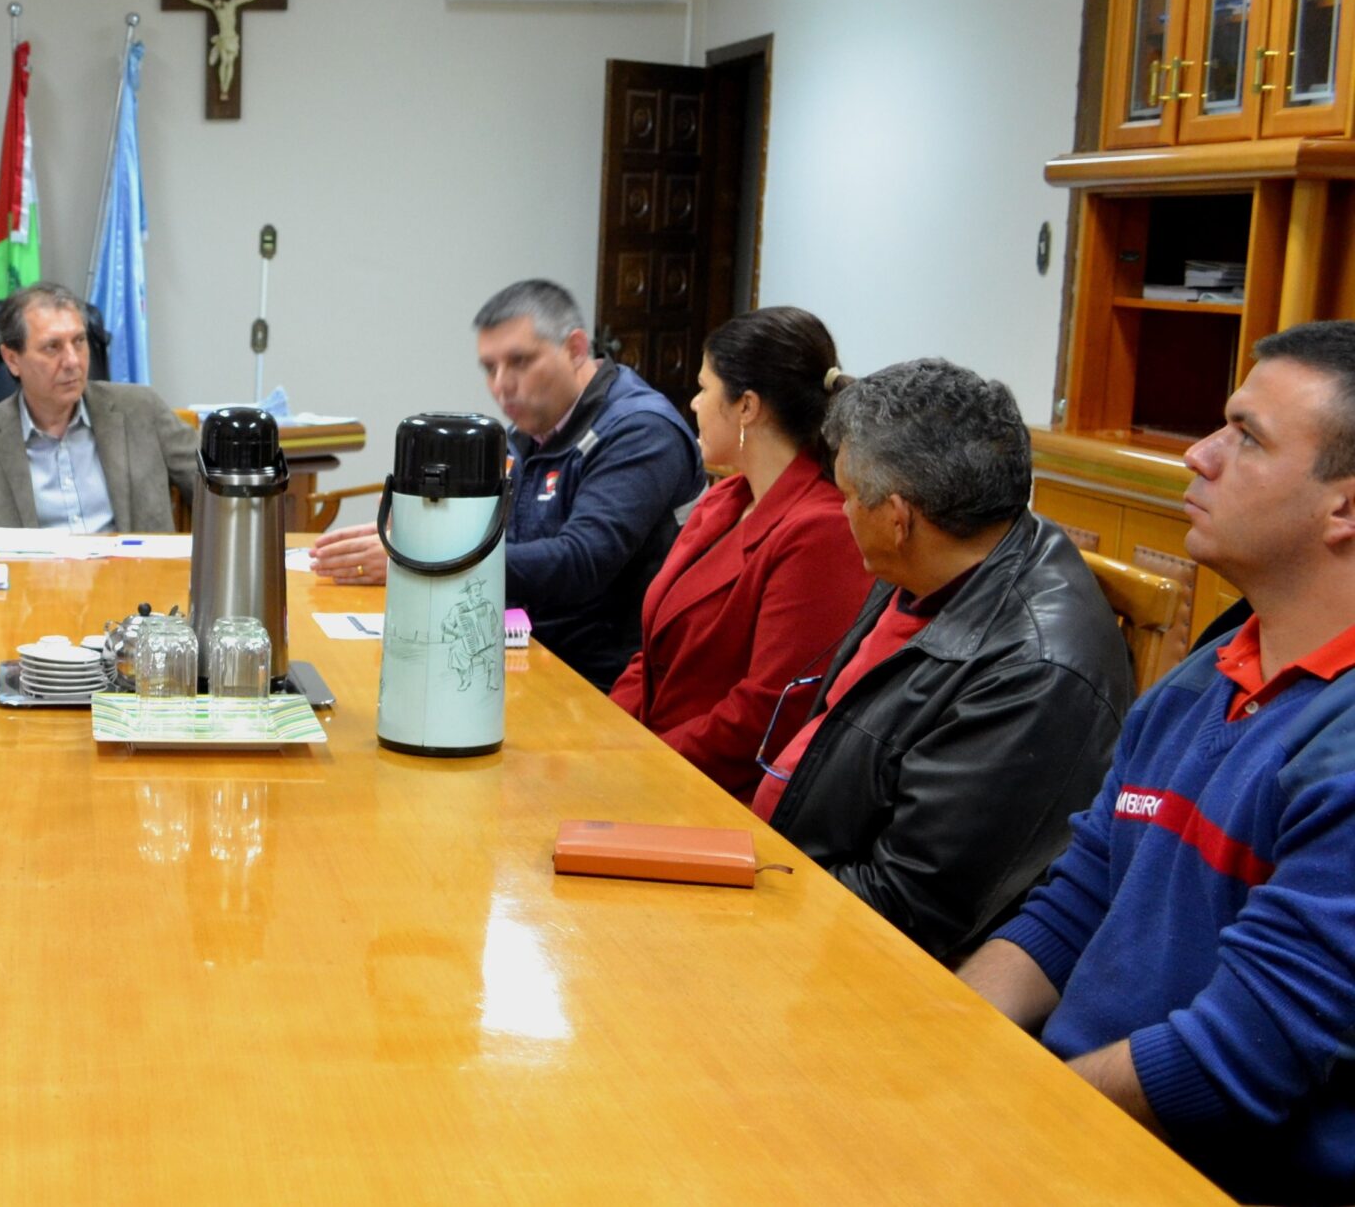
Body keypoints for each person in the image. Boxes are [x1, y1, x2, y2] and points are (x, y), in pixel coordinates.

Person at [958, 323, 1355, 1203]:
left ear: (1346, 508)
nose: (1199, 457)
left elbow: (1230, 1062)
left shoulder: (1343, 753)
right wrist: (947, 1039)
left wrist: (1004, 1113)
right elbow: (1078, 903)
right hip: (1074, 1122)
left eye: (1247, 437)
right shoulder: (1201, 677)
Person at [758, 358, 1128, 963]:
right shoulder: (933, 560)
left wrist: (752, 896)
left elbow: (905, 905)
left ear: (898, 518)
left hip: (854, 952)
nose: (840, 509)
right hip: (794, 875)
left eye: (847, 495)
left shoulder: (1033, 673)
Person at [312, 279, 702, 689]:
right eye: (489, 368)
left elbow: (582, 560)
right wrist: (415, 532)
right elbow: (501, 537)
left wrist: (426, 560)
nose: (501, 384)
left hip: (602, 680)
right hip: (524, 653)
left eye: (519, 361)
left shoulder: (641, 430)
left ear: (574, 349)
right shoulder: (530, 431)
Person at [609, 307, 873, 800]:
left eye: (705, 388)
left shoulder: (821, 529)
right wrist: (603, 742)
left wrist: (640, 765)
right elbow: (651, 657)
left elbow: (766, 713)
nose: (693, 403)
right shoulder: (724, 499)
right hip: (652, 768)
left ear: (747, 406)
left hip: (720, 797)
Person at [0, 282, 199, 533]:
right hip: (31, 574)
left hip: (136, 572)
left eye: (79, 341)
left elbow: (220, 490)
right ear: (12, 360)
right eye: (52, 347)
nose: (72, 361)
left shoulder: (142, 411)